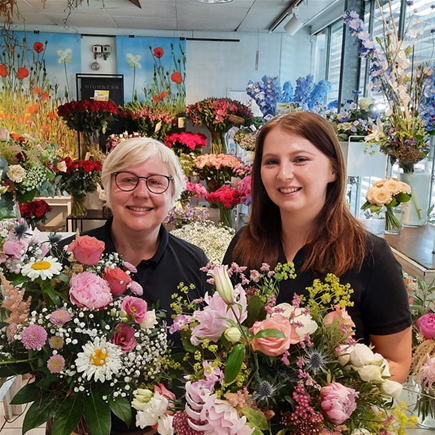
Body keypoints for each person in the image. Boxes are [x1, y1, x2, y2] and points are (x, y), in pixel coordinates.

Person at [223, 111, 412, 383]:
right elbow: (223, 338)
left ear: (333, 170)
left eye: (300, 160)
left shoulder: (370, 256)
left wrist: (335, 407)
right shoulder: (244, 244)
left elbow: (397, 362)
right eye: (271, 162)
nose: (284, 174)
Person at [55, 137, 211, 434]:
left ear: (174, 192)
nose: (141, 193)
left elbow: (208, 358)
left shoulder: (195, 265)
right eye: (127, 180)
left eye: (155, 182)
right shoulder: (66, 258)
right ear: (107, 187)